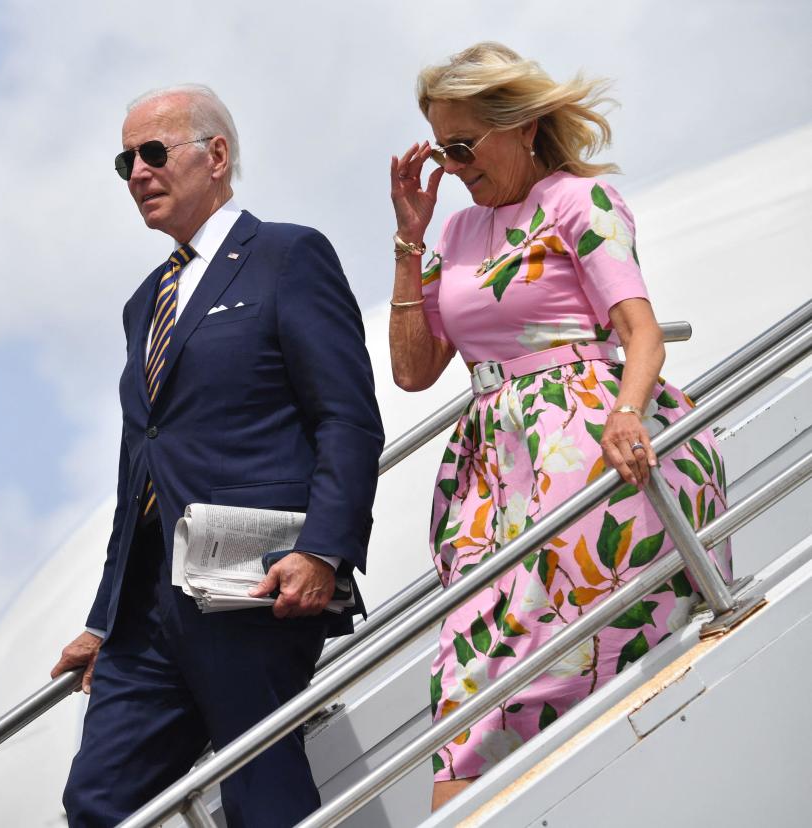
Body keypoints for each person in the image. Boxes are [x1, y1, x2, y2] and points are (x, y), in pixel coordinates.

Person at [386, 43, 732, 809]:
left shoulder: (581, 202)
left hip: (585, 451)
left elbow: (640, 332)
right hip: (493, 475)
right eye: (442, 150)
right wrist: (412, 236)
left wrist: (628, 414)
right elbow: (413, 371)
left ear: (523, 126)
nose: (454, 164)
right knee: (469, 691)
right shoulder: (456, 233)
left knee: (574, 665)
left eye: (463, 146)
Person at [51, 84, 383, 827]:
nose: (137, 172)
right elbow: (141, 461)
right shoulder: (146, 301)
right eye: (125, 159)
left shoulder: (287, 256)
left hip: (253, 584)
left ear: (217, 155)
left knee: (260, 789)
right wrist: (105, 619)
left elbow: (347, 418)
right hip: (148, 606)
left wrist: (323, 550)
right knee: (99, 800)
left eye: (155, 152)